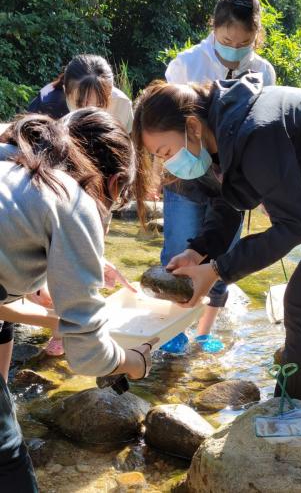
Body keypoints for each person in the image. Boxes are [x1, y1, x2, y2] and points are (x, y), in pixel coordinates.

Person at [132, 73, 301, 405]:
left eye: (166, 151)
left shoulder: (255, 131)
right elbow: (228, 201)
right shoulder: (221, 130)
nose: (168, 163)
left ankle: (294, 406)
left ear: (192, 126)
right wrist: (198, 251)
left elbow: (292, 227)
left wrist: (218, 270)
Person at [0, 109, 157, 491]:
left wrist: (61, 302)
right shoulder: (71, 197)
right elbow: (87, 357)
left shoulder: (12, 156)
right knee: (8, 461)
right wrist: (135, 363)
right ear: (115, 182)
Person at [159, 0, 276, 354]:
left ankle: (205, 331)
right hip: (188, 174)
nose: (235, 50)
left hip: (233, 179)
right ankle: (174, 327)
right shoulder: (186, 65)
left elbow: (263, 131)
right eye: (227, 42)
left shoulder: (264, 71)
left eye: (244, 43)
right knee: (181, 249)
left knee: (222, 253)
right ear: (213, 29)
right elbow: (163, 124)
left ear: (255, 37)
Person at [28, 53, 134, 355]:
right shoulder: (47, 106)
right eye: (81, 102)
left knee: (93, 248)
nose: (90, 110)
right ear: (66, 93)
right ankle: (57, 319)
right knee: (55, 246)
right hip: (57, 181)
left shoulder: (122, 105)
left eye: (99, 103)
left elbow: (123, 156)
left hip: (102, 183)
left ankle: (80, 313)